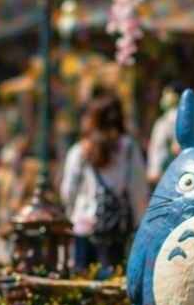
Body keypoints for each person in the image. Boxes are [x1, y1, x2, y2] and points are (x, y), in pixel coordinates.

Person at [61, 93, 148, 272]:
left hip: (83, 227)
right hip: (116, 231)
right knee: (113, 286)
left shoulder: (80, 150)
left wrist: (71, 216)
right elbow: (138, 191)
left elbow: (68, 191)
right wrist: (139, 225)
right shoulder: (129, 149)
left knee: (81, 287)